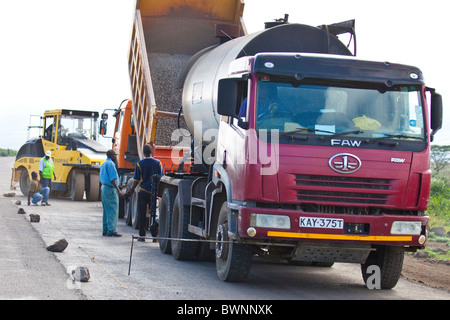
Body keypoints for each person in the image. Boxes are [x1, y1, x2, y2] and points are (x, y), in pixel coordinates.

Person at [126, 144, 164, 242]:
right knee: (154, 214)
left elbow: (136, 179)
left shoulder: (140, 163)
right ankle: (154, 237)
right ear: (152, 152)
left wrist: (131, 190)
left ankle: (142, 236)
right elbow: (161, 178)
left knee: (141, 214)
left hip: (142, 192)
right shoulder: (158, 163)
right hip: (153, 193)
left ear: (143, 152)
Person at [100, 149, 123, 237]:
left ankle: (105, 230)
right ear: (111, 156)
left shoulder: (104, 163)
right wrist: (118, 190)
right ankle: (112, 230)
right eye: (115, 155)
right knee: (113, 209)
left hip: (104, 187)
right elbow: (113, 179)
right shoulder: (111, 164)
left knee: (106, 210)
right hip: (110, 188)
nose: (116, 157)